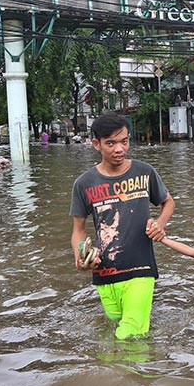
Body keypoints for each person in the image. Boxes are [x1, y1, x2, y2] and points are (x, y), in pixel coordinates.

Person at [70, 112, 175, 339]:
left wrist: (160, 224)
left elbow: (168, 202)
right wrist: (81, 256)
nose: (119, 149)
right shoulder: (84, 183)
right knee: (115, 329)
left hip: (141, 269)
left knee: (129, 335)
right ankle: (114, 370)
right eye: (110, 143)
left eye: (124, 141)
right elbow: (78, 229)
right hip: (105, 273)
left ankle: (131, 375)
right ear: (96, 144)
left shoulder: (144, 172)